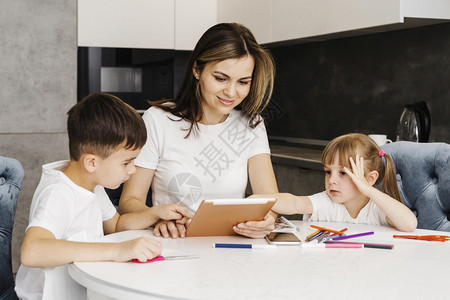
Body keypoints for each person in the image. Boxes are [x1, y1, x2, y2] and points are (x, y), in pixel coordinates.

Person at [15, 93, 193, 300]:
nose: (133, 170)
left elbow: (116, 225)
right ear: (92, 162)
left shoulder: (91, 183)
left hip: (82, 289)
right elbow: (32, 251)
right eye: (127, 162)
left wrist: (155, 213)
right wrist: (117, 251)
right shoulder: (58, 193)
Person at [119, 22, 279, 239]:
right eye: (220, 78)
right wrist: (156, 215)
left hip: (230, 245)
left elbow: (270, 202)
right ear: (197, 70)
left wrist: (267, 221)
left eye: (243, 82)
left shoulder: (251, 125)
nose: (231, 92)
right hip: (172, 243)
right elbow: (129, 202)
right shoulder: (158, 120)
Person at [257, 133, 417, 232]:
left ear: (370, 178)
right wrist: (256, 201)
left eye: (343, 173)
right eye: (328, 172)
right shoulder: (325, 202)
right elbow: (294, 202)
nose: (332, 180)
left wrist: (368, 189)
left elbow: (409, 224)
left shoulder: (378, 209)